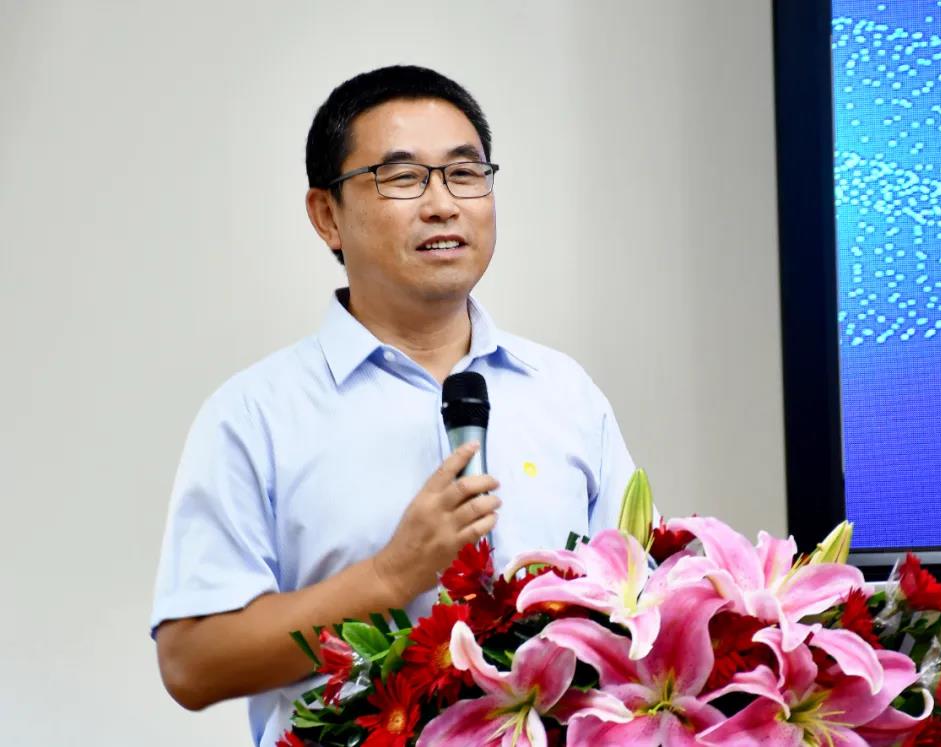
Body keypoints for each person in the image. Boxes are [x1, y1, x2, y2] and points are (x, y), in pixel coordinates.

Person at [150, 65, 636, 747]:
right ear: (327, 215)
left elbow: (638, 607)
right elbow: (192, 663)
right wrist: (388, 577)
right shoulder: (256, 414)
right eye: (403, 178)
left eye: (464, 173)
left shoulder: (565, 392)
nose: (443, 204)